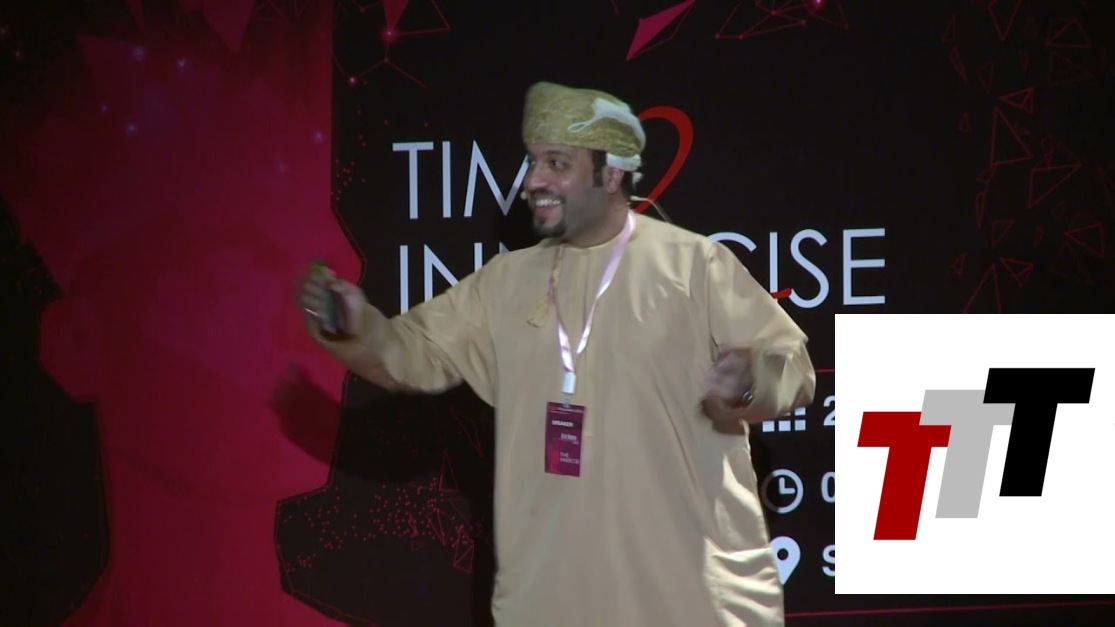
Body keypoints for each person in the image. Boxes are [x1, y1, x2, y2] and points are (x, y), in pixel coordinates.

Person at [299, 81, 816, 626]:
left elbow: (793, 366)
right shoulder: (505, 283)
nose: (533, 181)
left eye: (557, 163)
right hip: (551, 601)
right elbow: (414, 352)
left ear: (611, 174)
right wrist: (353, 326)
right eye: (532, 161)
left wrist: (751, 382)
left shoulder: (693, 267)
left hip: (686, 599)